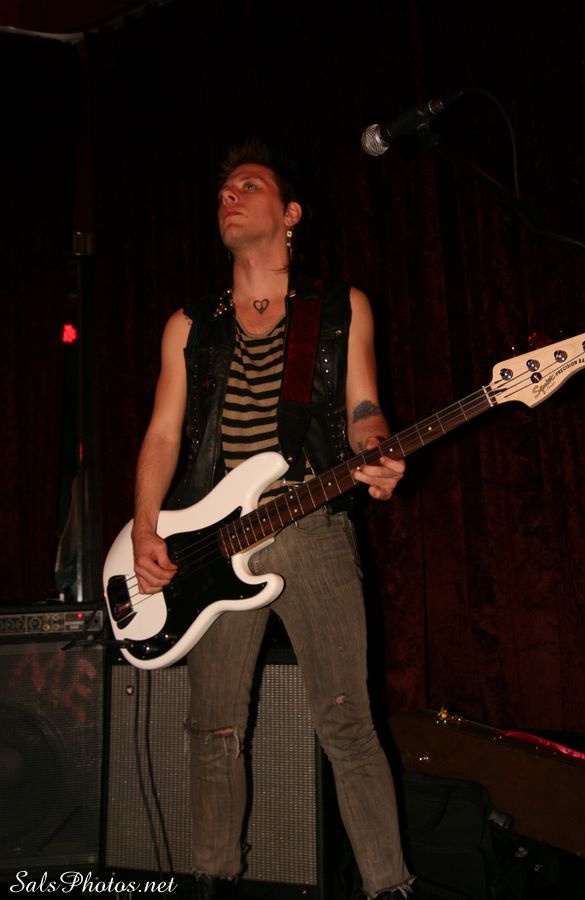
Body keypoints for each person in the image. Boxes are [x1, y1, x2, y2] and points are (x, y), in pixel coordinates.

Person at [131, 140, 415, 900]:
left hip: (311, 520)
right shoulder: (190, 324)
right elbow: (163, 434)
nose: (229, 196)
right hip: (213, 540)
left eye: (248, 185)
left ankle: (389, 887)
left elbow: (362, 407)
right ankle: (214, 879)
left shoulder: (340, 306)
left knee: (347, 722)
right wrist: (147, 527)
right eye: (223, 189)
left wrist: (377, 450)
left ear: (289, 214)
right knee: (213, 729)